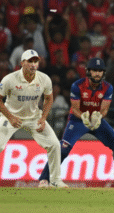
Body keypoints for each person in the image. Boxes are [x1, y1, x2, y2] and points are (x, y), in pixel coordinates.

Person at [38, 58, 114, 187]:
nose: (97, 73)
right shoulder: (77, 85)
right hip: (78, 120)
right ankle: (44, 179)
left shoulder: (108, 87)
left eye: (100, 71)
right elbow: (75, 109)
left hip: (96, 121)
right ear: (88, 71)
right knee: (63, 149)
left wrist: (98, 117)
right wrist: (83, 117)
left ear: (103, 73)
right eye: (94, 70)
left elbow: (104, 109)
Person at [0, 50, 66, 187]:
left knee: (54, 144)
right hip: (10, 116)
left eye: (35, 61)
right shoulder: (9, 79)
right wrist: (10, 117)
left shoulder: (44, 79)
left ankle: (55, 180)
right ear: (22, 63)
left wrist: (43, 118)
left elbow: (49, 98)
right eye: (30, 61)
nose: (33, 64)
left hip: (34, 118)